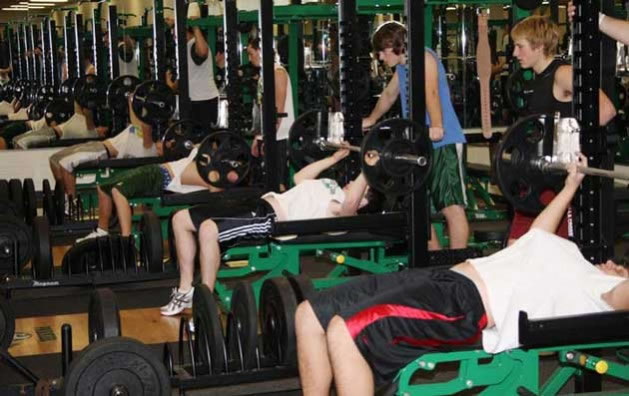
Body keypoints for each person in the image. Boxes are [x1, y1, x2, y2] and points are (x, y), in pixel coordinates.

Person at [295, 155, 629, 396]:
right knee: (309, 314)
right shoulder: (571, 254)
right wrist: (571, 185)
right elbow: (537, 234)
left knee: (345, 333)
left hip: (465, 306)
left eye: (622, 267)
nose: (614, 264)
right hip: (442, 280)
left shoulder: (601, 291)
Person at [161, 149, 370, 316]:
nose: (352, 183)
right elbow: (299, 177)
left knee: (208, 229)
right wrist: (332, 158)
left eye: (361, 189)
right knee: (181, 219)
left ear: (363, 201)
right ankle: (185, 290)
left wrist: (367, 170)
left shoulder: (342, 213)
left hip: (270, 219)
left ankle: (204, 303)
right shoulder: (331, 185)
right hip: (259, 202)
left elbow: (351, 202)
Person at [506, 15, 617, 244]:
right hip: (537, 175)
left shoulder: (562, 73)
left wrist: (570, 142)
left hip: (558, 179)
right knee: (516, 246)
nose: (515, 54)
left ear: (539, 46)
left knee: (551, 249)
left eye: (520, 46)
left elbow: (606, 111)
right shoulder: (535, 79)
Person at [362, 21, 469, 250]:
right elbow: (389, 95)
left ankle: (458, 265)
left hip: (445, 141)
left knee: (452, 207)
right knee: (417, 207)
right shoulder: (402, 68)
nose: (381, 58)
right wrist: (371, 120)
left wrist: (437, 124)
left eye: (382, 52)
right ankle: (436, 262)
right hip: (420, 144)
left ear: (394, 45)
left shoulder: (423, 57)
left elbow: (430, 91)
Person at [76, 143, 238, 243]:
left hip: (159, 177)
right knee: (103, 185)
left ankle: (126, 241)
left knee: (118, 191)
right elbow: (201, 145)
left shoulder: (212, 176)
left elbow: (216, 190)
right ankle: (102, 231)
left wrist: (224, 175)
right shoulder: (205, 159)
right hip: (155, 170)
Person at [48, 94, 157, 203]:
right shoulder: (138, 131)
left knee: (65, 164)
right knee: (54, 159)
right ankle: (63, 198)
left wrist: (138, 101)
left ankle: (72, 204)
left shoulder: (148, 147)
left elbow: (144, 122)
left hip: (103, 151)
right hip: (97, 145)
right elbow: (137, 118)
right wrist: (131, 99)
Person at [247, 37, 295, 190]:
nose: (249, 58)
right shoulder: (266, 74)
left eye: (251, 54)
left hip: (279, 136)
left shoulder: (278, 72)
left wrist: (266, 137)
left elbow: (277, 111)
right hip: (270, 133)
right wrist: (259, 136)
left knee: (278, 183)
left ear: (260, 52)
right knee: (267, 179)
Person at [165, 3, 219, 128]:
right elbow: (186, 76)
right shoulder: (184, 48)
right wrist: (171, 85)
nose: (173, 36)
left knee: (204, 140)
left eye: (175, 32)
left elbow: (203, 52)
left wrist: (195, 27)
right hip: (192, 101)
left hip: (204, 100)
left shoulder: (194, 43)